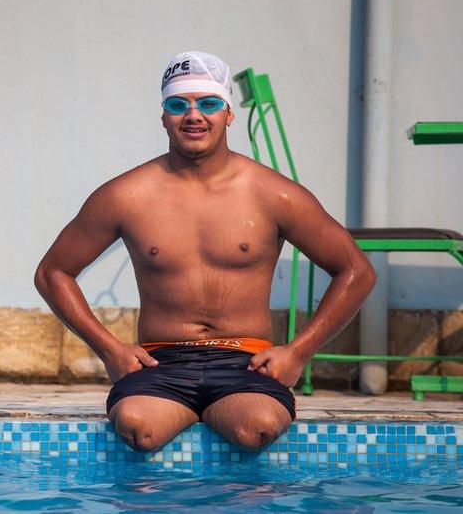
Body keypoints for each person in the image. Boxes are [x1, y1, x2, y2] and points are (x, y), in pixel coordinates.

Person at [33, 51, 376, 452]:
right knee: (138, 428)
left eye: (208, 104)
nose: (193, 116)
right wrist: (110, 349)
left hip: (246, 359)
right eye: (178, 105)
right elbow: (53, 272)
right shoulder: (127, 195)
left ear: (228, 113)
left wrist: (298, 353)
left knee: (258, 427)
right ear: (164, 116)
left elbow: (356, 271)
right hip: (161, 362)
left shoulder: (273, 194)